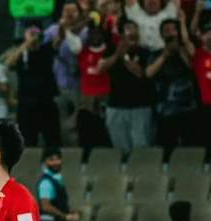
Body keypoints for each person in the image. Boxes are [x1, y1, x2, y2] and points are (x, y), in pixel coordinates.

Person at [99, 18, 154, 162]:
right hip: (116, 105)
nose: (132, 33)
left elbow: (142, 74)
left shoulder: (145, 52)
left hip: (140, 106)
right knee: (120, 146)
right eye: (128, 29)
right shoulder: (111, 51)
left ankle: (142, 172)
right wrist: (117, 54)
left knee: (141, 145)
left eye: (135, 29)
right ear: (121, 34)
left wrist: (126, 59)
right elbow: (100, 69)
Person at [146, 16, 198, 164]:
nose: (170, 33)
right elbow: (149, 73)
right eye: (166, 30)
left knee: (190, 145)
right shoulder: (156, 54)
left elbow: (193, 66)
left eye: (172, 30)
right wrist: (164, 55)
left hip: (188, 109)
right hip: (165, 110)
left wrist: (180, 50)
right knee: (166, 146)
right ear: (161, 35)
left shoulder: (186, 51)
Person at [7, 26, 62, 147]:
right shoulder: (21, 53)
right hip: (26, 101)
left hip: (46, 99)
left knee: (52, 136)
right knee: (27, 137)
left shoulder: (46, 49)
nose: (33, 36)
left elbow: (58, 41)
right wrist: (26, 43)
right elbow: (10, 63)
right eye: (30, 33)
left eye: (35, 33)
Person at [44, 1, 89, 130]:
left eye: (73, 11)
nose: (69, 14)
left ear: (79, 13)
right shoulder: (53, 30)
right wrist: (59, 36)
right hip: (59, 82)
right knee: (60, 119)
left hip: (80, 84)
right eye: (66, 11)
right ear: (61, 13)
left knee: (81, 119)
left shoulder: (86, 31)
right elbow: (44, 50)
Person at [75, 16, 113, 158]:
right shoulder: (82, 51)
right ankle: (86, 159)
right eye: (92, 33)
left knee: (106, 133)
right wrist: (84, 22)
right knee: (86, 132)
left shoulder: (110, 51)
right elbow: (71, 38)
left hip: (106, 98)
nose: (95, 36)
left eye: (98, 33)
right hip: (87, 99)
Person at [36, 148, 81, 221]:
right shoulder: (46, 182)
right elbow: (46, 206)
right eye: (51, 160)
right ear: (45, 162)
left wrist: (72, 214)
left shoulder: (57, 180)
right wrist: (65, 217)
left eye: (58, 159)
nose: (56, 162)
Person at [191, 9, 211, 164]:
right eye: (207, 33)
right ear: (201, 37)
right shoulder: (198, 55)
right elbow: (187, 38)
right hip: (206, 105)